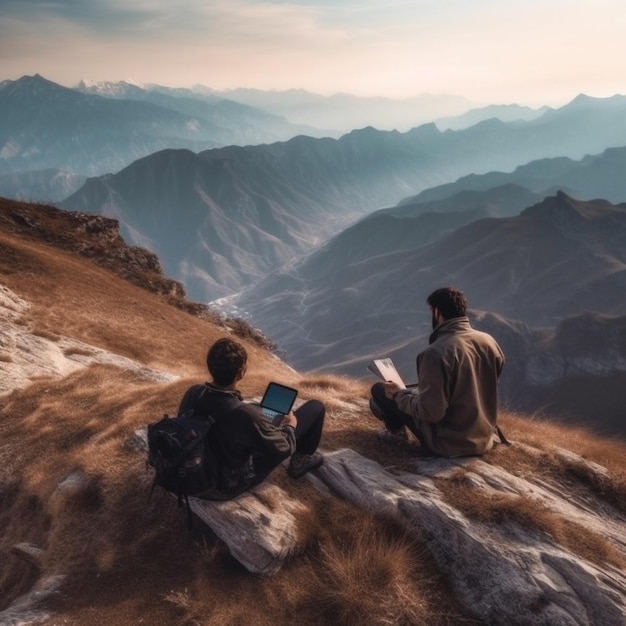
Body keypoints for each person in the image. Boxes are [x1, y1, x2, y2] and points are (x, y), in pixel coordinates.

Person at [178, 337, 325, 499]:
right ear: (241, 373)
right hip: (223, 486)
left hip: (193, 474)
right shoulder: (245, 414)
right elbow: (283, 449)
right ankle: (301, 461)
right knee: (316, 406)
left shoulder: (194, 392)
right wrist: (291, 425)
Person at [369, 287, 506, 457]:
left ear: (436, 312)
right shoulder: (489, 342)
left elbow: (431, 412)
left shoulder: (435, 353)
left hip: (450, 442)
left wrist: (398, 395)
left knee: (380, 391)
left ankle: (395, 433)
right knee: (411, 391)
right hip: (484, 437)